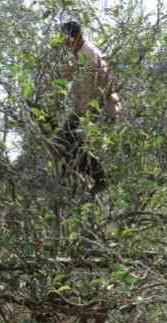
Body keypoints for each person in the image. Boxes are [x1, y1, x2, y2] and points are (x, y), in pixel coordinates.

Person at [56, 20, 121, 195]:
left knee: (67, 142)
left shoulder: (89, 54)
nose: (63, 43)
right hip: (84, 108)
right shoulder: (80, 53)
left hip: (92, 110)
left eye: (64, 39)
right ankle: (78, 179)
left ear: (72, 38)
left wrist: (105, 109)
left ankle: (99, 178)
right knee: (63, 142)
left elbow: (102, 83)